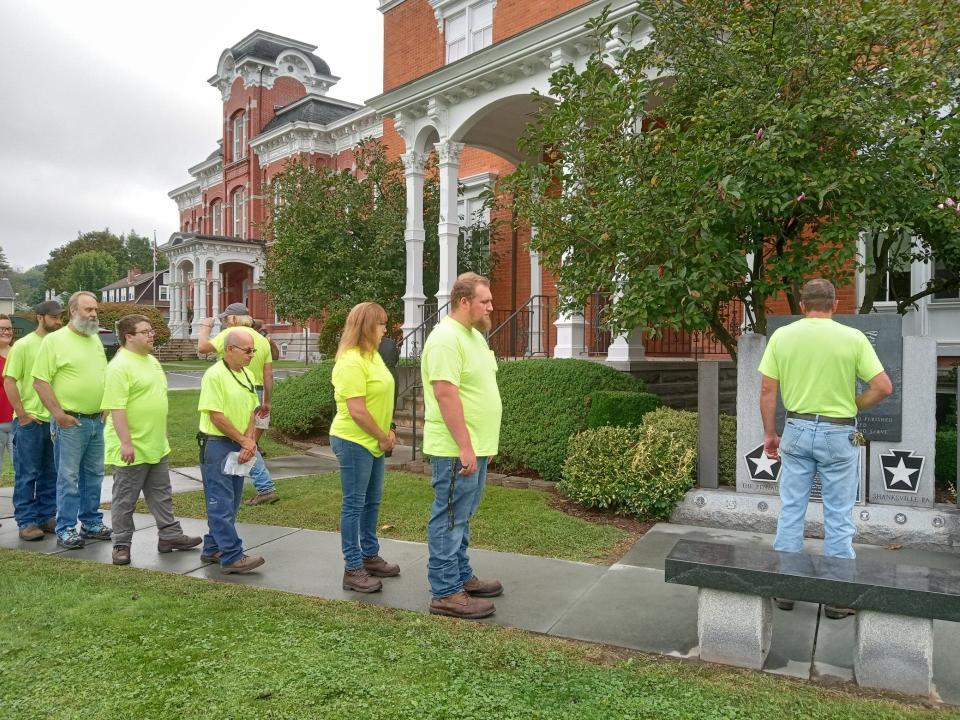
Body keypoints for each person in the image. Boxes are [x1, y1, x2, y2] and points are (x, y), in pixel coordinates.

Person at [759, 278, 892, 618]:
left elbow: (767, 393)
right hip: (838, 432)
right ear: (835, 305)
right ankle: (836, 597)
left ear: (802, 306)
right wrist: (855, 406)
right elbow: (882, 387)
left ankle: (787, 590)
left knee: (791, 509)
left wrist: (770, 434)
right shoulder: (852, 338)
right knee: (838, 514)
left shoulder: (783, 336)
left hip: (797, 429)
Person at [420, 272, 503, 619]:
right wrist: (466, 446)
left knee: (462, 516)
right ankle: (445, 591)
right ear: (464, 301)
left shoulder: (474, 337)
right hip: (456, 448)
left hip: (475, 446)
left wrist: (481, 444)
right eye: (485, 301)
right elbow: (445, 393)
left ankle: (460, 576)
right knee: (450, 516)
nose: (491, 308)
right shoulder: (445, 338)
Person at [102, 315, 201, 565]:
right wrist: (126, 442)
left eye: (151, 331)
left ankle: (170, 535)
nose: (151, 335)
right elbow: (116, 408)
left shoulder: (152, 361)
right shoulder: (119, 366)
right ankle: (121, 544)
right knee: (125, 499)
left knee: (161, 494)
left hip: (155, 443)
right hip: (131, 447)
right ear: (129, 337)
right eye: (145, 332)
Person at [329, 302, 399, 593]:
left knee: (372, 501)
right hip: (354, 440)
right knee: (354, 505)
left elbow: (380, 396)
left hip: (375, 439)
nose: (386, 328)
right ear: (367, 326)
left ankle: (369, 556)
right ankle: (353, 568)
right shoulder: (350, 361)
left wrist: (389, 428)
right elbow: (356, 410)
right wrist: (382, 437)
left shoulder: (373, 356)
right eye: (381, 324)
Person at [32, 291, 110, 550]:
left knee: (94, 475)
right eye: (88, 309)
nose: (93, 314)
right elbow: (40, 381)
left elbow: (102, 374)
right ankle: (66, 527)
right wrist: (58, 415)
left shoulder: (94, 339)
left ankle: (91, 522)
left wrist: (106, 404)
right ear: (73, 311)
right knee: (68, 477)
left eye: (95, 310)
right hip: (70, 423)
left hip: (96, 421)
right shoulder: (55, 341)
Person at [196, 329, 265, 574]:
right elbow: (216, 416)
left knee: (232, 501)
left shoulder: (246, 374)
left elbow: (251, 410)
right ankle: (232, 556)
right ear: (229, 350)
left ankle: (213, 548)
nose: (251, 355)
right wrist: (242, 440)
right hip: (217, 445)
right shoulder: (214, 375)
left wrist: (248, 439)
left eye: (253, 351)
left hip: (238, 444)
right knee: (220, 502)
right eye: (247, 351)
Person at [197, 303, 278, 506]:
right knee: (250, 442)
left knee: (242, 441)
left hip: (235, 389)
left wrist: (205, 328)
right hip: (256, 390)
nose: (224, 322)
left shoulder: (233, 336)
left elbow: (202, 349)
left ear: (233, 319)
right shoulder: (260, 339)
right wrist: (267, 400)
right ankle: (260, 485)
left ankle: (264, 485)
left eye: (226, 319)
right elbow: (268, 373)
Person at [3, 302, 62, 540]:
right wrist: (23, 414)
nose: (59, 322)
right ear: (40, 317)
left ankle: (47, 516)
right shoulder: (24, 346)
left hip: (54, 421)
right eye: (55, 317)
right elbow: (9, 381)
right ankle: (26, 521)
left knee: (51, 472)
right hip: (30, 422)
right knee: (28, 474)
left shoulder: (59, 345)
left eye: (61, 318)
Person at [0, 315, 15, 528]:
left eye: (9, 328)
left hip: (16, 421)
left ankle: (26, 516)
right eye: (2, 328)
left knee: (23, 471)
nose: (6, 332)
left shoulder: (17, 354)